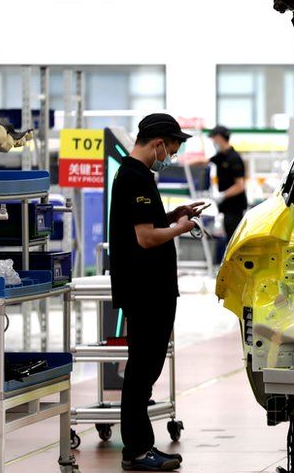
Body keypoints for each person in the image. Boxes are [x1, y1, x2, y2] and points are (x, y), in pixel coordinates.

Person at [110, 113, 203, 471]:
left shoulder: (137, 175)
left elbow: (148, 225)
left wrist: (172, 216)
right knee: (142, 371)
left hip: (151, 289)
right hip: (145, 291)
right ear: (158, 143)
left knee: (146, 369)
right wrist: (179, 228)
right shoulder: (133, 176)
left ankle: (139, 445)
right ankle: (136, 449)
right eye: (173, 148)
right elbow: (145, 238)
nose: (172, 156)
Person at [207, 126, 249, 253]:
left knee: (234, 242)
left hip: (235, 208)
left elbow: (240, 186)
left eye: (214, 139)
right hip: (227, 209)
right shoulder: (221, 156)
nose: (213, 142)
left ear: (219, 138)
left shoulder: (234, 158)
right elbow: (205, 162)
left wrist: (223, 195)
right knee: (229, 241)